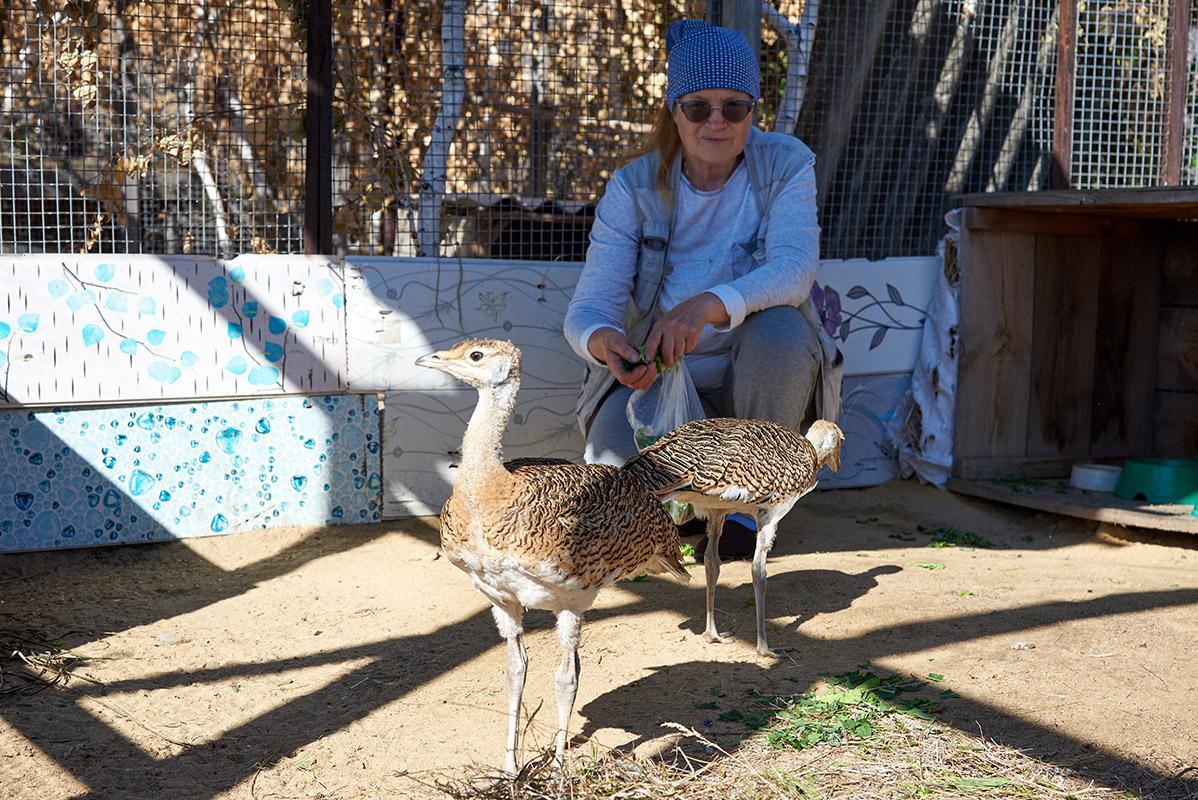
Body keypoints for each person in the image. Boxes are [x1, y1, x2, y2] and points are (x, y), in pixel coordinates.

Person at [563, 19, 843, 556]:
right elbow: (588, 310)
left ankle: (746, 511)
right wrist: (606, 344)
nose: (716, 121)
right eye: (698, 107)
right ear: (674, 111)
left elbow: (794, 270)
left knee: (784, 328)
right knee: (613, 501)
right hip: (658, 383)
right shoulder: (633, 186)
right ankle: (680, 515)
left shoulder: (786, 164)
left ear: (752, 112)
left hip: (752, 391)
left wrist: (705, 306)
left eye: (733, 107)